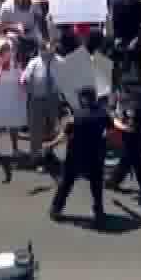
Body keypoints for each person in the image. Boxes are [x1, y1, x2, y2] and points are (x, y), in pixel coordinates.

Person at [47, 86, 108, 224]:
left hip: (75, 155)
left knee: (66, 183)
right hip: (95, 155)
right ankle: (99, 211)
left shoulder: (77, 116)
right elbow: (109, 131)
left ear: (85, 99)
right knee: (96, 185)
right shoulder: (103, 114)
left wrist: (51, 144)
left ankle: (56, 209)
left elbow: (64, 135)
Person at [106, 73, 141, 201]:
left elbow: (114, 114)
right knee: (131, 160)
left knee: (135, 162)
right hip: (137, 132)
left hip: (129, 132)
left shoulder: (124, 97)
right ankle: (115, 181)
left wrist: (119, 125)